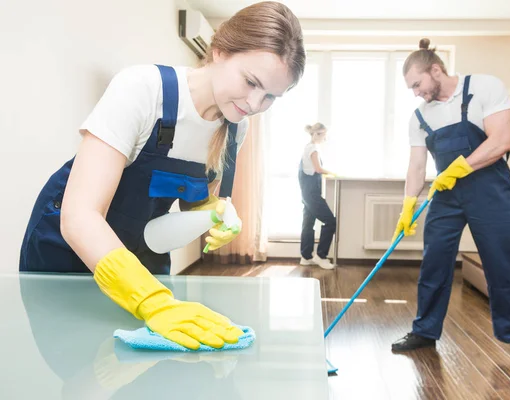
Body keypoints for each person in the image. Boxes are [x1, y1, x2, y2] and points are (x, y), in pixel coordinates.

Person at [19, 1, 306, 351]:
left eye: (271, 97)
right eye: (250, 82)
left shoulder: (235, 128)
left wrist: (214, 214)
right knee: (78, 359)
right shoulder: (143, 89)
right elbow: (79, 217)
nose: (254, 103)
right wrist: (153, 301)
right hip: (67, 253)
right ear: (219, 51)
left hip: (140, 254)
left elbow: (191, 201)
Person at [390, 38, 510, 373]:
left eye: (417, 84)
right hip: (447, 195)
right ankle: (425, 331)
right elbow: (416, 167)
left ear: (436, 70)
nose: (415, 92)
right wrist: (407, 206)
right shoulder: (419, 117)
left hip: (489, 189)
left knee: (504, 265)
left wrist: (458, 168)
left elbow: (500, 142)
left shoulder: (484, 87)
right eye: (410, 88)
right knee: (434, 264)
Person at [298, 123, 336, 270]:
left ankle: (306, 256)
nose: (324, 138)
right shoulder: (313, 149)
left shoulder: (307, 147)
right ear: (317, 134)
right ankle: (321, 256)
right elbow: (318, 169)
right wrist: (333, 173)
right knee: (330, 221)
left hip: (306, 192)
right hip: (311, 192)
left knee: (308, 223)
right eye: (322, 135)